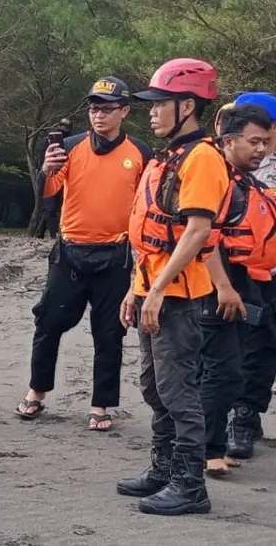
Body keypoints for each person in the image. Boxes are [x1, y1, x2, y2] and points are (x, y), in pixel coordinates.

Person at [116, 58, 229, 517]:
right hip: (152, 287)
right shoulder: (168, 157)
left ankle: (190, 485)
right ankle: (163, 469)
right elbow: (148, 234)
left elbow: (198, 231)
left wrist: (159, 289)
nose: (153, 113)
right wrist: (135, 288)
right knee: (154, 385)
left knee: (178, 389)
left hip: (178, 295)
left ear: (187, 104)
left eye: (161, 104)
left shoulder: (202, 157)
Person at [14, 78, 151, 430]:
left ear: (124, 111)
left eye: (107, 108)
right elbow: (47, 194)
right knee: (48, 323)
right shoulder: (70, 148)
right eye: (93, 108)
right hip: (70, 252)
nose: (99, 115)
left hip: (115, 256)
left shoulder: (140, 153)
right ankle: (36, 392)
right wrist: (45, 169)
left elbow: (146, 206)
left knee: (110, 332)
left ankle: (101, 405)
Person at [200, 103, 273, 477]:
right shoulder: (219, 178)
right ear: (228, 140)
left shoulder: (248, 181)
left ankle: (212, 441)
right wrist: (224, 287)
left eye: (265, 141)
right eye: (254, 141)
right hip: (223, 284)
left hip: (253, 280)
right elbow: (204, 237)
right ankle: (206, 448)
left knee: (241, 365)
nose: (261, 149)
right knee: (221, 370)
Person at [226, 92, 276, 460]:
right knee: (236, 347)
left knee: (264, 348)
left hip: (271, 273)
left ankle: (246, 413)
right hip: (234, 271)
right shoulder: (223, 162)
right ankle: (237, 415)